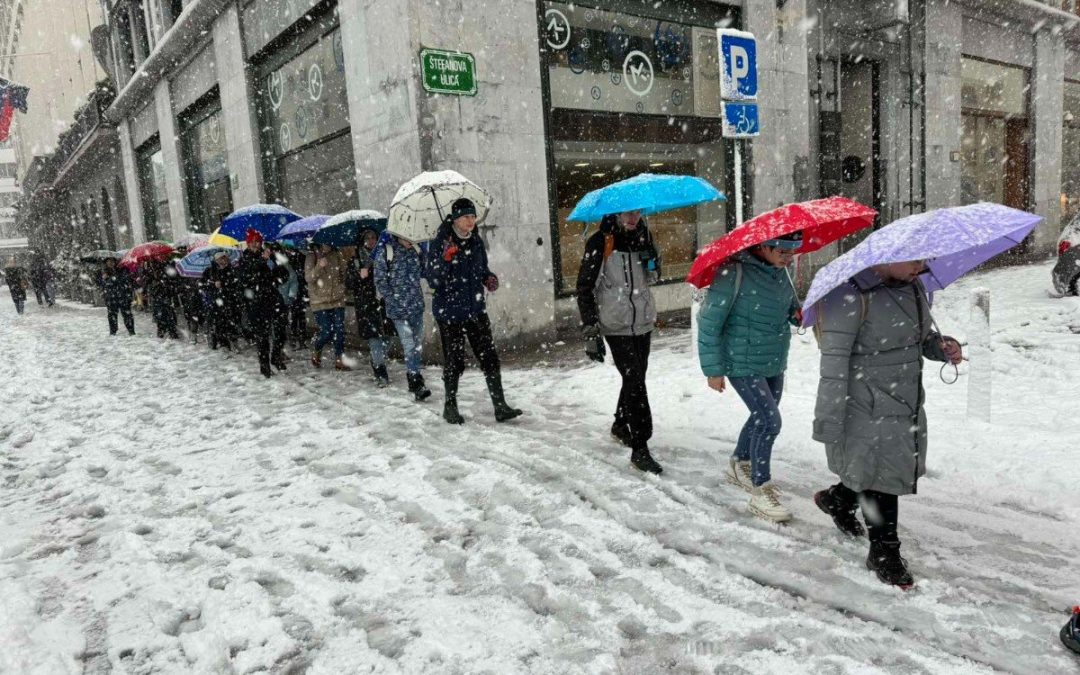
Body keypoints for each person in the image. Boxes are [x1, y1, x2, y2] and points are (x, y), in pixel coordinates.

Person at [811, 260, 963, 588]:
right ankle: (884, 552)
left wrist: (940, 347)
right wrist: (829, 418)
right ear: (888, 258)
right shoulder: (848, 293)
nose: (921, 267)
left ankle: (837, 500)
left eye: (926, 260)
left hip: (905, 397)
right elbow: (833, 363)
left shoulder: (914, 286)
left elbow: (919, 340)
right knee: (877, 475)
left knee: (875, 467)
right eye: (915, 260)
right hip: (861, 399)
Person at [697, 232, 803, 521]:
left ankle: (739, 461)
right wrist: (713, 369)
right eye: (782, 250)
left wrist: (800, 314)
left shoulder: (782, 273)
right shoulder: (734, 271)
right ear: (763, 246)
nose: (788, 257)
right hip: (741, 362)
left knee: (762, 415)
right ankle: (760, 490)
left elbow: (789, 309)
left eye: (793, 251)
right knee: (769, 421)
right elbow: (709, 323)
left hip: (773, 358)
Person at [575, 210, 663, 474]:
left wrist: (652, 261)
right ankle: (640, 447)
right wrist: (591, 329)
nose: (633, 217)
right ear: (615, 213)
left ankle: (620, 423)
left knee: (635, 377)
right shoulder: (600, 241)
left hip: (643, 321)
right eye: (627, 212)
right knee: (634, 379)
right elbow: (584, 287)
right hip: (616, 324)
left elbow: (654, 278)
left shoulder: (645, 236)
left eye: (637, 212)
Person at [426, 198, 521, 425]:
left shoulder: (476, 242)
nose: (471, 221)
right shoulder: (440, 242)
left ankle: (500, 406)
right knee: (455, 360)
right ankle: (450, 406)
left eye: (472, 216)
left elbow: (482, 270)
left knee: (489, 356)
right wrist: (446, 259)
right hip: (450, 313)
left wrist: (489, 279)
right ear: (455, 219)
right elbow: (433, 280)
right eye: (466, 217)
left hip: (475, 308)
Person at [373, 230, 431, 401]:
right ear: (397, 234)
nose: (409, 239)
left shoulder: (418, 251)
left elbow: (425, 272)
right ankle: (415, 382)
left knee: (417, 344)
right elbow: (380, 279)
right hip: (398, 310)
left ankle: (415, 375)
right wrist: (392, 299)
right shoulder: (387, 251)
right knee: (408, 344)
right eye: (405, 236)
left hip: (416, 306)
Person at [347, 227, 396, 387]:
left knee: (388, 338)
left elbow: (393, 276)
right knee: (375, 340)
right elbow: (348, 283)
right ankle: (381, 372)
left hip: (384, 303)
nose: (371, 240)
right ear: (362, 241)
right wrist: (359, 276)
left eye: (373, 237)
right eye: (367, 238)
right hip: (367, 305)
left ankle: (376, 360)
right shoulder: (355, 260)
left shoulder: (384, 256)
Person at [240, 229, 290, 377]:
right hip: (256, 301)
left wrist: (273, 267)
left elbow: (284, 274)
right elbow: (248, 277)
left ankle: (276, 356)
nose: (256, 245)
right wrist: (262, 262)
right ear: (248, 244)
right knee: (262, 336)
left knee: (281, 329)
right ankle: (264, 366)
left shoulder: (270, 256)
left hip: (273, 297)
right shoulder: (245, 259)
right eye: (253, 242)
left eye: (258, 242)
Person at [304, 242, 350, 371]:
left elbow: (343, 273)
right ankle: (317, 348)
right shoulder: (311, 256)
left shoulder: (337, 253)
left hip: (337, 299)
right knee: (327, 332)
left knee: (339, 331)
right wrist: (319, 265)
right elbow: (308, 278)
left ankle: (339, 359)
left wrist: (342, 287)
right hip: (319, 301)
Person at [202, 250, 242, 351]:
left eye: (224, 258)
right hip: (216, 301)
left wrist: (225, 284)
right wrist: (212, 284)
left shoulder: (232, 270)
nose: (223, 260)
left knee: (231, 322)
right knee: (219, 323)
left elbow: (237, 283)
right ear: (216, 260)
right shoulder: (210, 271)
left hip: (230, 300)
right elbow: (203, 284)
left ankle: (233, 342)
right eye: (220, 258)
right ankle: (223, 343)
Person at [95, 257, 135, 335]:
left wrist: (113, 278)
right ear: (106, 263)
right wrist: (103, 279)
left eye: (112, 261)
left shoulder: (122, 269)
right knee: (112, 314)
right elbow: (99, 283)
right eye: (108, 261)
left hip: (123, 296)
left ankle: (131, 330)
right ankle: (113, 331)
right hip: (110, 297)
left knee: (127, 313)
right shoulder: (102, 272)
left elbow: (126, 280)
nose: (110, 263)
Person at [287, 247, 309, 350]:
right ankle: (297, 339)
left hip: (299, 291)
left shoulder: (300, 258)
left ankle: (298, 340)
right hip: (296, 292)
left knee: (299, 317)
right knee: (298, 316)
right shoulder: (291, 259)